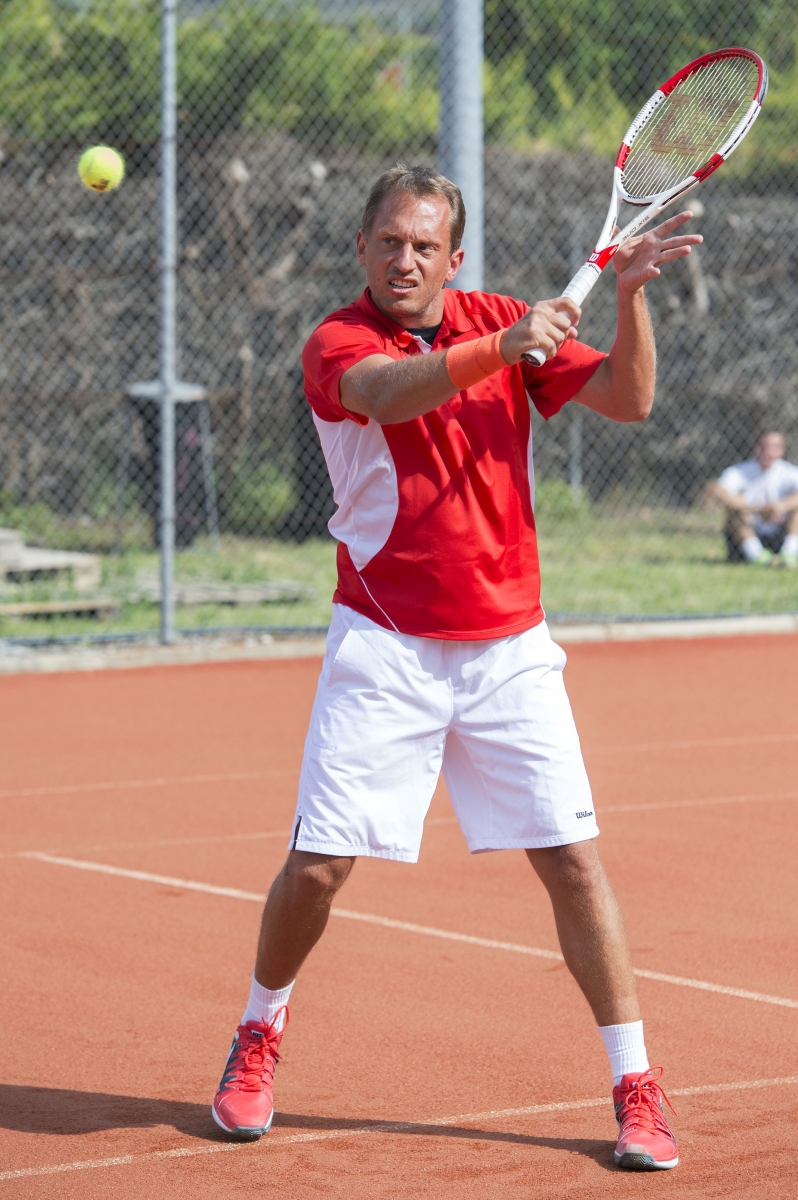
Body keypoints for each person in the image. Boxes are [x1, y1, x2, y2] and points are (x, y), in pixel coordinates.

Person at [212, 165, 700, 1171]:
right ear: (361, 247)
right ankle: (261, 1028)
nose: (405, 261)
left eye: (424, 247)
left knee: (572, 860)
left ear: (454, 256)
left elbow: (630, 400)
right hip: (384, 644)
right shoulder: (339, 343)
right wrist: (504, 348)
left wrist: (630, 300)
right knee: (317, 867)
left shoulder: (504, 320)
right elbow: (388, 397)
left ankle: (635, 1085)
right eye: (389, 242)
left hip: (510, 649)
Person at [712, 431, 798, 567]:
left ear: (781, 451)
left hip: (779, 533)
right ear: (756, 448)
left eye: (774, 447)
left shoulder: (789, 472)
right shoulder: (739, 471)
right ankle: (757, 556)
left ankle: (789, 555)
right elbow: (718, 492)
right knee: (735, 511)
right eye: (764, 446)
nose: (768, 452)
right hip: (749, 534)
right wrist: (758, 509)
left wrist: (779, 507)